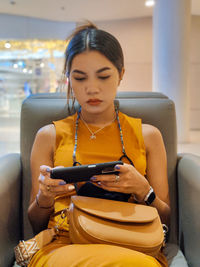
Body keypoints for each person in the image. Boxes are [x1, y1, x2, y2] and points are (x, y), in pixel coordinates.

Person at [27, 22, 170, 267]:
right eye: (79, 77)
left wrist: (142, 189)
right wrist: (45, 197)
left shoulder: (148, 136)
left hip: (132, 242)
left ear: (121, 74)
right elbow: (35, 222)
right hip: (65, 242)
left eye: (104, 76)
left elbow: (166, 216)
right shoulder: (49, 136)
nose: (92, 88)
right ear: (68, 79)